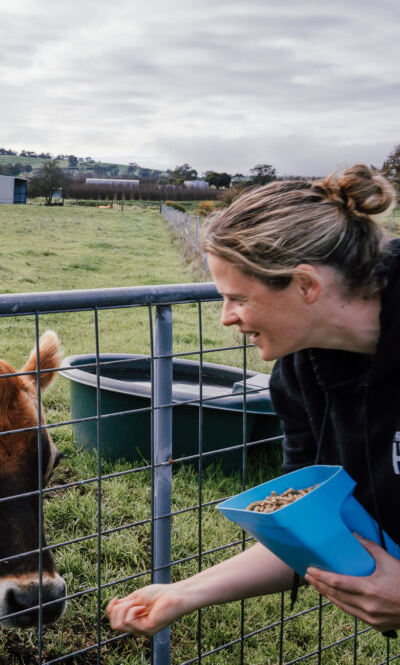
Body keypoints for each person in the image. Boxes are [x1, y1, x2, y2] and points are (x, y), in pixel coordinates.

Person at [107, 164, 400, 636]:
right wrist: (184, 592)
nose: (226, 318)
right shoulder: (301, 376)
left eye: (238, 298)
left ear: (307, 285)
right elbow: (309, 523)